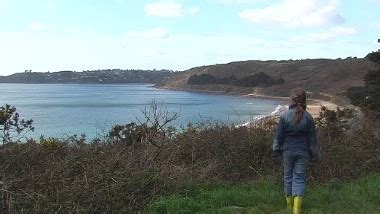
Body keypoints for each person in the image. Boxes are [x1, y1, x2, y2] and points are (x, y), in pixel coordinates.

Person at [272, 88, 320, 214]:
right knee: (299, 178)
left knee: (288, 177)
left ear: (291, 100)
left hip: (287, 151)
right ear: (304, 100)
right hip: (303, 152)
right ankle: (296, 210)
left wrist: (276, 150)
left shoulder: (284, 116)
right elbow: (312, 140)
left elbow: (278, 136)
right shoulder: (308, 117)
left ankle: (289, 207)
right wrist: (315, 155)